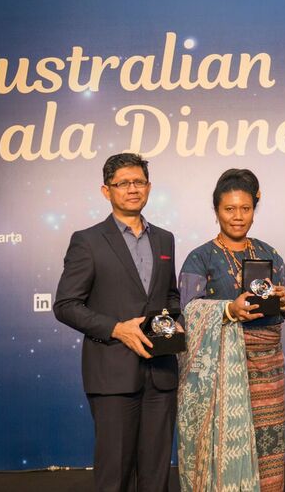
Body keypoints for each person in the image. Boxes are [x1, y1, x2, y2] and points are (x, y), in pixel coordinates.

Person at [53, 153, 181, 492]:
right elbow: (66, 305)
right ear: (106, 190)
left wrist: (173, 320)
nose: (132, 189)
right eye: (123, 183)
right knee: (115, 478)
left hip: (161, 375)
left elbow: (170, 296)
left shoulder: (164, 239)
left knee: (156, 477)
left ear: (149, 187)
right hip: (112, 377)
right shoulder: (88, 240)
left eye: (138, 182)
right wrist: (116, 328)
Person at [177, 168, 285, 492]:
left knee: (267, 447)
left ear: (254, 210)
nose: (238, 216)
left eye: (245, 209)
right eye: (229, 209)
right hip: (223, 371)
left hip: (268, 371)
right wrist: (228, 310)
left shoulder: (267, 252)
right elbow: (188, 312)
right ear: (216, 210)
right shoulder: (200, 258)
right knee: (225, 448)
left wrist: (284, 298)